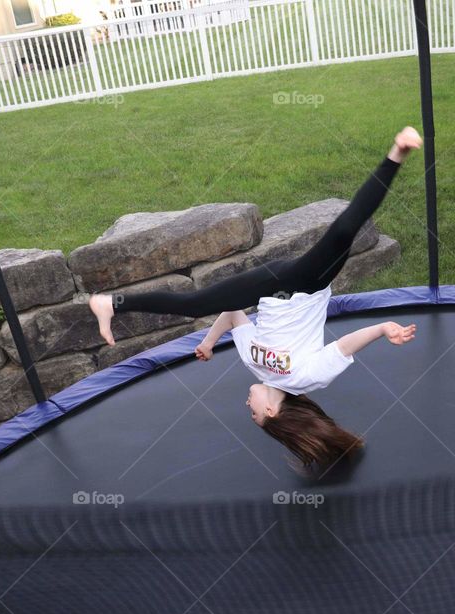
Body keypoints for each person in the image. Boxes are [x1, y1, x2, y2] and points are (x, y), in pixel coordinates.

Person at [89, 127, 422, 469]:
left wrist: (208, 340)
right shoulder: (306, 378)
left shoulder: (251, 361)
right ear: (271, 411)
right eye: (254, 416)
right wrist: (383, 328)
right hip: (306, 285)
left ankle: (110, 304)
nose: (248, 408)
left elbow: (233, 313)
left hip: (272, 285)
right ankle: (397, 153)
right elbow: (346, 345)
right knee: (342, 232)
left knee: (195, 304)